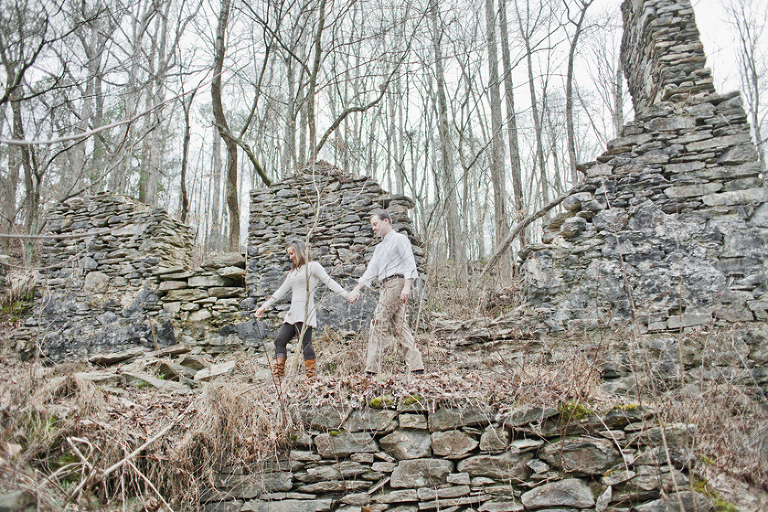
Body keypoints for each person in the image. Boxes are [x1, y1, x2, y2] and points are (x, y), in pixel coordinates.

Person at [254, 240, 348, 379]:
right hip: (292, 313)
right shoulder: (292, 272)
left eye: (292, 253)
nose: (290, 257)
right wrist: (263, 307)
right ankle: (278, 378)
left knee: (304, 343)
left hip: (305, 311)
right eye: (289, 254)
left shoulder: (313, 267)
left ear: (299, 251)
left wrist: (347, 294)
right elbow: (280, 291)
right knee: (279, 341)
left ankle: (311, 378)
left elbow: (329, 282)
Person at [347, 210, 424, 376]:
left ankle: (372, 370)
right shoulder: (379, 248)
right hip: (384, 287)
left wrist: (407, 286)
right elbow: (371, 271)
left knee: (378, 322)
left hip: (397, 283)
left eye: (375, 224)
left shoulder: (399, 239)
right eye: (372, 225)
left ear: (386, 221)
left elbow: (409, 262)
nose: (373, 228)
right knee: (399, 327)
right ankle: (417, 367)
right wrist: (356, 289)